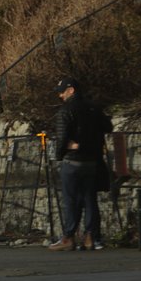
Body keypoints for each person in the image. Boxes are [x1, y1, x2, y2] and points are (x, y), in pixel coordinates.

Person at [48, 76, 112, 251]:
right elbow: (109, 127)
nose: (60, 95)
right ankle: (91, 237)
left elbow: (62, 139)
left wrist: (61, 154)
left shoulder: (66, 111)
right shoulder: (94, 108)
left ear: (71, 90)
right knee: (90, 199)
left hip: (73, 161)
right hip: (92, 161)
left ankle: (69, 236)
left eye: (62, 92)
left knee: (71, 201)